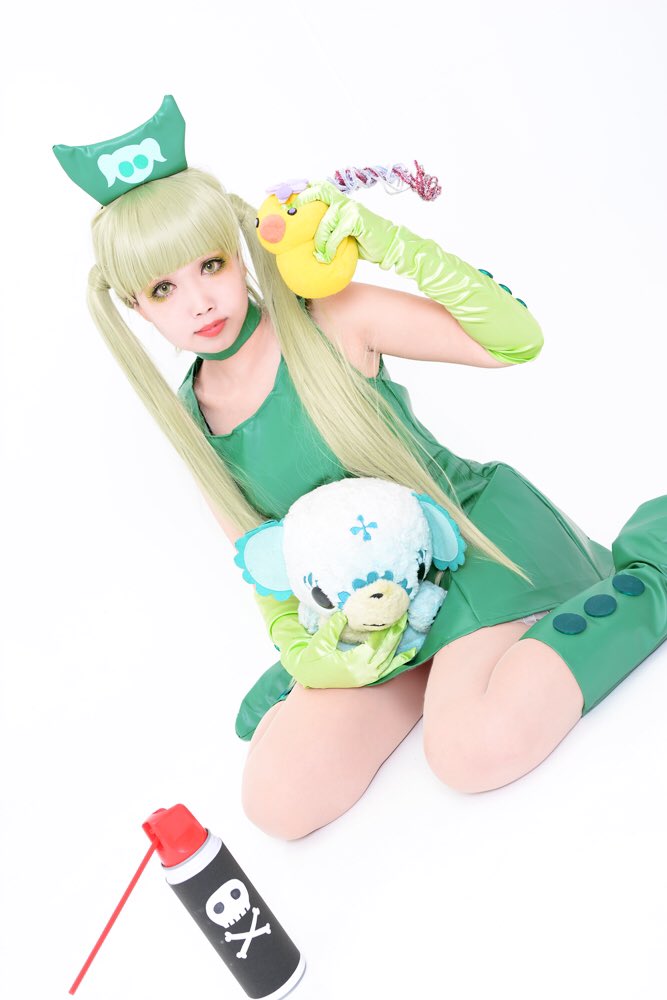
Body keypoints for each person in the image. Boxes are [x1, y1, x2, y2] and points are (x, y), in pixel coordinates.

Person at [56, 96, 667, 841]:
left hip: (473, 543)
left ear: (239, 252)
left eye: (210, 264)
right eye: (163, 289)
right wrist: (305, 652)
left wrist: (387, 242)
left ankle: (651, 572)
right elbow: (264, 563)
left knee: (471, 749)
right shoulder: (194, 422)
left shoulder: (330, 318)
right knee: (278, 803)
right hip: (375, 604)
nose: (200, 302)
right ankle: (433, 662)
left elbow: (514, 341)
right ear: (135, 308)